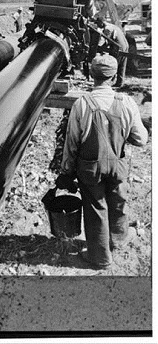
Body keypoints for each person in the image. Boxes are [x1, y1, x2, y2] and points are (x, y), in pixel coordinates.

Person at [55, 54, 148, 269]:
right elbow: (141, 140)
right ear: (114, 78)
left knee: (96, 207)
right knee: (118, 201)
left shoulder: (81, 104)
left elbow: (71, 143)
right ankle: (117, 240)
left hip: (89, 168)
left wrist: (66, 171)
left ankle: (99, 257)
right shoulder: (126, 102)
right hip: (118, 165)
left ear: (90, 75)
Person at [97, 19, 129, 88]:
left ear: (101, 22)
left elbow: (103, 41)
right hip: (125, 45)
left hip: (118, 47)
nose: (98, 26)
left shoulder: (107, 28)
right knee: (122, 65)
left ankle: (108, 82)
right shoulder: (113, 26)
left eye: (98, 24)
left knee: (113, 64)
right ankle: (120, 83)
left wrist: (98, 48)